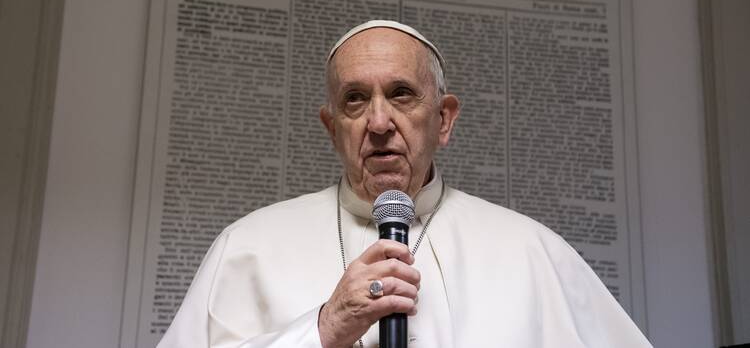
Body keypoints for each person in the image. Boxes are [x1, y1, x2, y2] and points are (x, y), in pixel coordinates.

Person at [158, 20, 652, 347]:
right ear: (332, 128)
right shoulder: (247, 246)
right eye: (355, 99)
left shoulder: (534, 251)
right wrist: (323, 328)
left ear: (444, 119)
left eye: (401, 94)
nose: (378, 122)